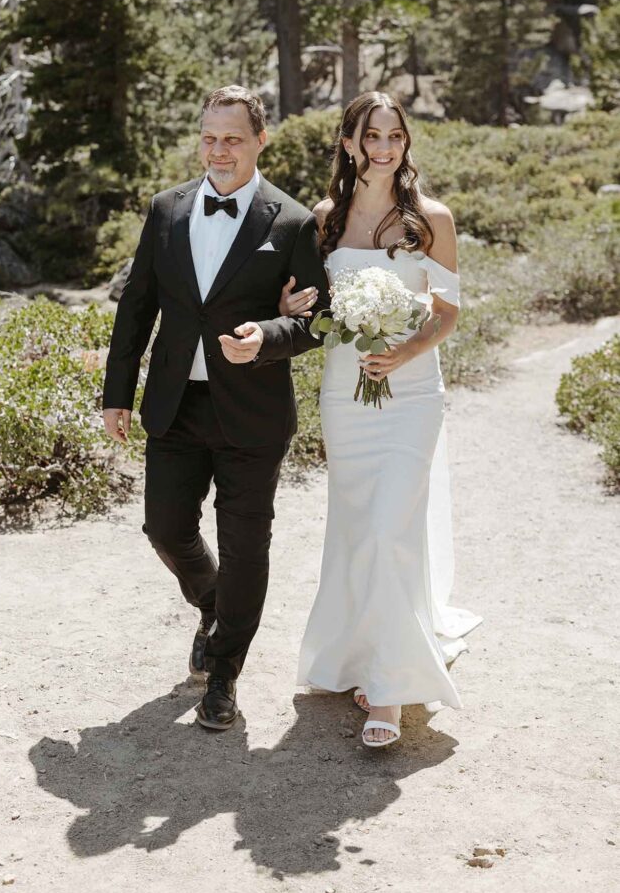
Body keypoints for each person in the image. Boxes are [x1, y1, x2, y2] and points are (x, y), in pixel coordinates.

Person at [102, 85, 330, 731]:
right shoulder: (165, 210)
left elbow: (317, 321)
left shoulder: (289, 222)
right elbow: (136, 307)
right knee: (165, 527)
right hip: (175, 404)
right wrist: (117, 393)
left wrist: (268, 337)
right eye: (209, 137)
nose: (218, 150)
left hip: (252, 410)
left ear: (260, 141)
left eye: (232, 138)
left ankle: (224, 674)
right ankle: (213, 604)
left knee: (245, 546)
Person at [280, 91, 482, 748]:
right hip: (345, 393)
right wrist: (293, 302)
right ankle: (358, 652)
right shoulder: (324, 219)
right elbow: (310, 311)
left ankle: (391, 689)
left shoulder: (431, 219)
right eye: (371, 135)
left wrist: (405, 351)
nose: (384, 147)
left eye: (394, 135)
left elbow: (447, 311)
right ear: (349, 143)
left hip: (414, 393)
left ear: (405, 143)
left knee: (394, 525)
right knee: (359, 526)